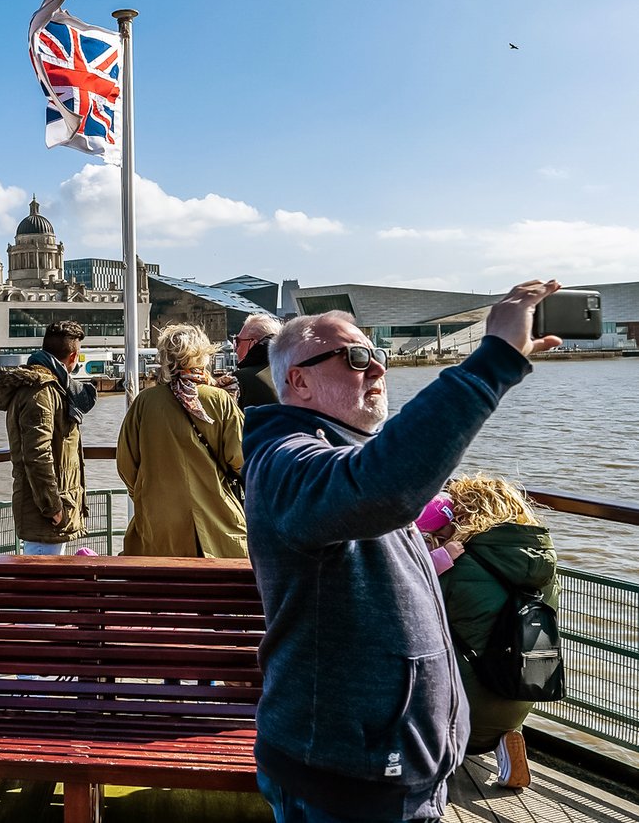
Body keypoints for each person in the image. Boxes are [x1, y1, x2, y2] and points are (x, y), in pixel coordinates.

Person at [242, 279, 562, 823]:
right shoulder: (285, 461)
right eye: (357, 357)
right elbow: (382, 485)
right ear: (297, 380)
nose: (378, 370)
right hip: (346, 779)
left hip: (385, 768)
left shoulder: (337, 453)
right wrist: (494, 361)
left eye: (379, 355)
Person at [437, 473, 559, 790]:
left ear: (466, 515)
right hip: (518, 698)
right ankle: (509, 740)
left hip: (454, 717)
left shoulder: (458, 562)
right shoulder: (546, 566)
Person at [116, 323, 247, 558]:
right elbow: (240, 459)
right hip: (214, 516)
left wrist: (148, 493)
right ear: (202, 356)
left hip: (159, 520)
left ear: (165, 358)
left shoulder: (145, 402)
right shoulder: (220, 399)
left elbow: (126, 464)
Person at [0, 320, 96, 554]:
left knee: (47, 580)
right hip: (45, 512)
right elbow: (37, 453)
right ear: (73, 356)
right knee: (43, 580)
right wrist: (53, 507)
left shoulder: (50, 388)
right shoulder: (41, 392)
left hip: (50, 505)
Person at [233, 312, 283, 409]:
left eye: (238, 341)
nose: (235, 349)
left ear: (253, 343)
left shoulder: (241, 379)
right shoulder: (298, 373)